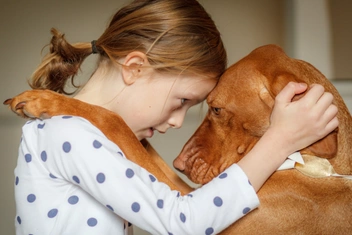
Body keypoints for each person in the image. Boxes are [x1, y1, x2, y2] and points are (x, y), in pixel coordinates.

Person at [13, 0, 338, 234]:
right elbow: (182, 222)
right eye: (182, 100)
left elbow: (180, 204)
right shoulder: (67, 134)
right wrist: (280, 141)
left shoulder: (84, 133)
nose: (178, 122)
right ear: (135, 68)